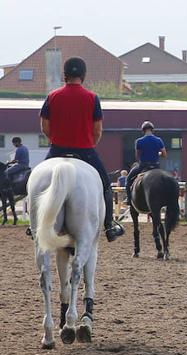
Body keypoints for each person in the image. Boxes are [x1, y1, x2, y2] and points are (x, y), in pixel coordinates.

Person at [40, 57, 124, 242]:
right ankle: (109, 225)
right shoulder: (92, 98)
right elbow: (97, 130)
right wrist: (89, 143)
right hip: (85, 151)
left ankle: (35, 225)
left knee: (36, 183)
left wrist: (56, 139)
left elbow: (45, 126)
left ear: (65, 75)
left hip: (57, 150)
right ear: (83, 75)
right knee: (105, 184)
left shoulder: (52, 96)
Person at [125, 121, 167, 204]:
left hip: (143, 166)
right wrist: (158, 153)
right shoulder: (159, 140)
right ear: (152, 130)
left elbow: (137, 156)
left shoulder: (139, 141)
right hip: (156, 166)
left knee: (128, 179)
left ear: (143, 130)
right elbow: (164, 155)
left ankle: (129, 199)